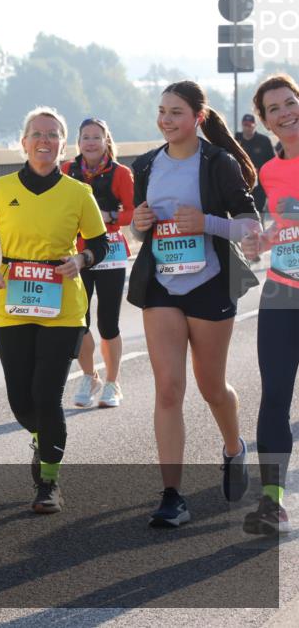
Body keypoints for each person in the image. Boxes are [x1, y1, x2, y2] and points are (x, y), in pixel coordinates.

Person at [127, 80, 260, 528]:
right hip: (161, 285)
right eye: (162, 111)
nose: (166, 120)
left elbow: (249, 227)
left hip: (209, 284)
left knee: (212, 388)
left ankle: (233, 447)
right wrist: (139, 225)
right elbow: (138, 231)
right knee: (168, 388)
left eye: (176, 112)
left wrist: (206, 223)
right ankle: (172, 496)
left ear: (197, 118)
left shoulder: (218, 163)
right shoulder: (145, 164)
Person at [0, 107, 108, 514]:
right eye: (36, 133)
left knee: (47, 394)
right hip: (13, 301)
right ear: (23, 142)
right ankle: (44, 438)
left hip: (62, 303)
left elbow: (100, 243)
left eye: (52, 135)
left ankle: (49, 481)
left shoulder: (78, 192)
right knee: (21, 399)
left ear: (62, 143)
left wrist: (83, 258)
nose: (44, 140)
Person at [241, 73, 299, 535]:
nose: (286, 112)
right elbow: (283, 225)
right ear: (264, 121)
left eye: (291, 101)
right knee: (275, 396)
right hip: (282, 290)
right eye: (275, 108)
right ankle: (272, 502)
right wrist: (262, 239)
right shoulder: (270, 171)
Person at [61, 119, 135, 408]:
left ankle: (113, 383)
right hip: (76, 253)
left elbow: (134, 211)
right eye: (85, 137)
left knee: (108, 322)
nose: (90, 142)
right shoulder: (67, 170)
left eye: (96, 137)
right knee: (78, 321)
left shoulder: (121, 173)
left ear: (106, 141)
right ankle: (90, 376)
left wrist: (111, 217)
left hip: (111, 253)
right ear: (78, 142)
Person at [235, 113, 276, 217]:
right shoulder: (236, 139)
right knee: (242, 211)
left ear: (255, 125)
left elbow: (272, 162)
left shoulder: (263, 141)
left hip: (260, 184)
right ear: (242, 125)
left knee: (258, 209)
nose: (247, 128)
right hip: (241, 182)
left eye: (250, 125)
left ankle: (260, 230)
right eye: (245, 125)